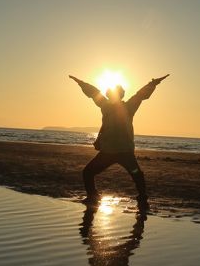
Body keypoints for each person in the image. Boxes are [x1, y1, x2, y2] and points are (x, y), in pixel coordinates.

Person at [69, 73, 169, 210]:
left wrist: (153, 84)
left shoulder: (125, 106)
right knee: (89, 172)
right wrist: (80, 82)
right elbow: (94, 92)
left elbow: (140, 95)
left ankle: (142, 199)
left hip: (122, 151)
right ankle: (94, 196)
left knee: (136, 175)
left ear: (119, 95)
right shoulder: (111, 106)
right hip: (112, 151)